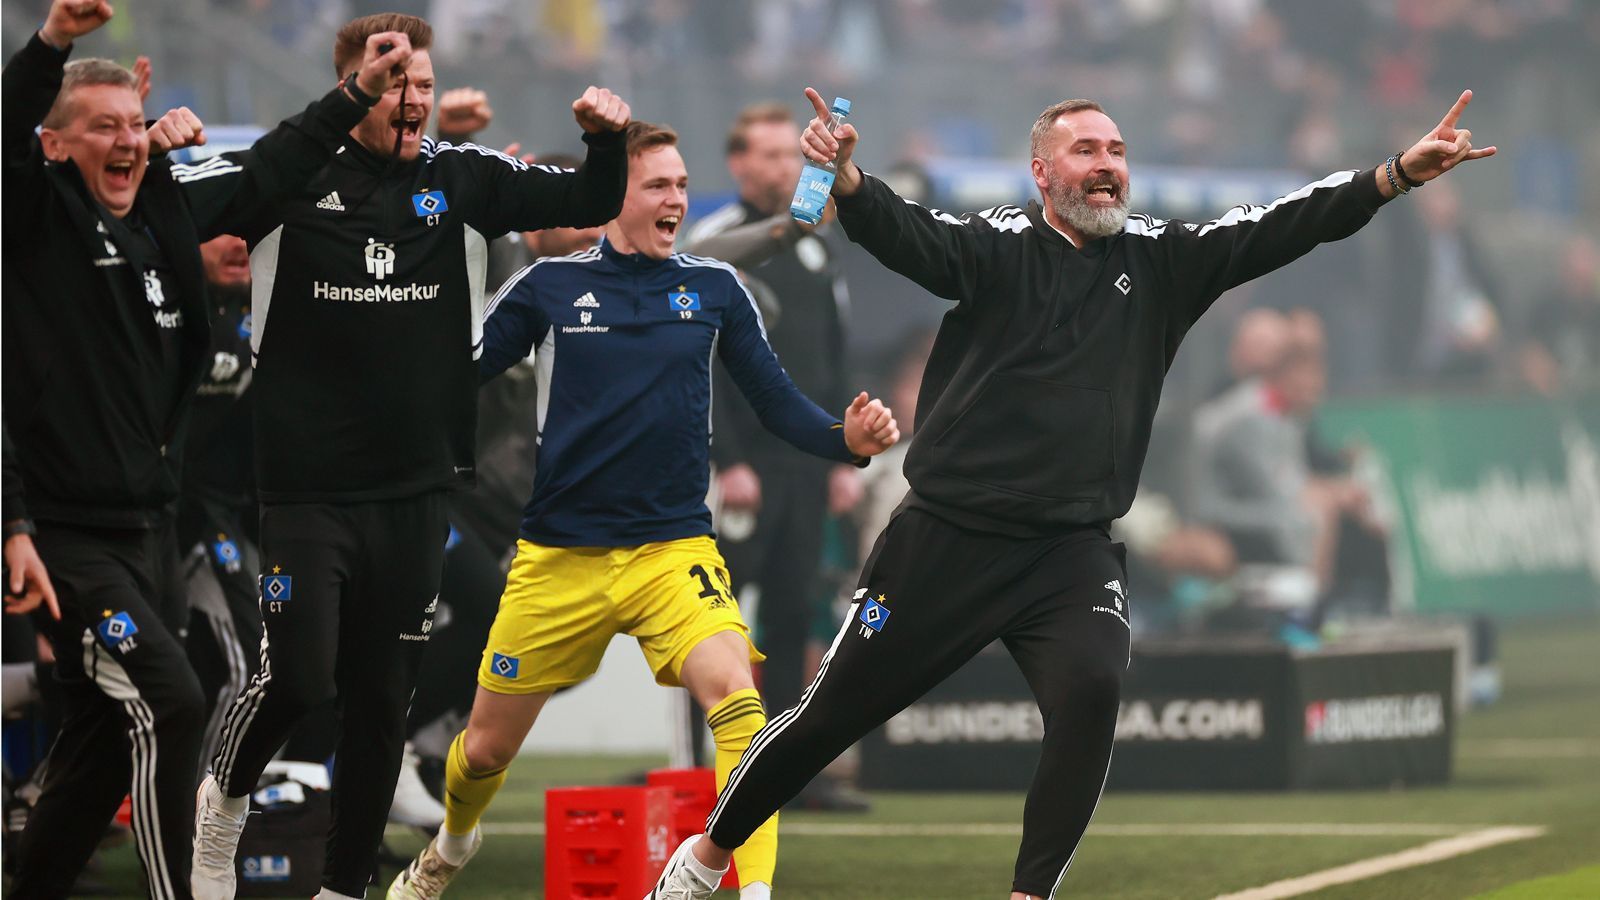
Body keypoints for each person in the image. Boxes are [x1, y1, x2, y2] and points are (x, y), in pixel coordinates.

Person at [647, 86, 1495, 900]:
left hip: (1070, 549)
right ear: (1041, 174)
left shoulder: (1163, 258)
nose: (1106, 165)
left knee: (1092, 689)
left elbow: (1280, 225)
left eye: (1117, 150)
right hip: (948, 536)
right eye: (1084, 149)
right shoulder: (997, 244)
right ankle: (706, 855)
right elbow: (910, 237)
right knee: (828, 716)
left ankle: (1031, 892)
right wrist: (854, 181)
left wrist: (1392, 176)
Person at [386, 121, 899, 900]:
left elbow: (776, 404)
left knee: (740, 700)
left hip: (673, 553)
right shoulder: (548, 288)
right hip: (559, 558)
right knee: (484, 752)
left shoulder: (714, 290)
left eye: (683, 186)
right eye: (659, 186)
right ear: (613, 196)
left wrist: (846, 441)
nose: (677, 200)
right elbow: (451, 378)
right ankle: (453, 844)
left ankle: (750, 890)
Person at [190, 13, 633, 900]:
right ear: (350, 85)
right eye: (391, 81)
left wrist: (606, 142)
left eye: (421, 84)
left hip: (418, 487)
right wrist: (350, 97)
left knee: (381, 701)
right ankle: (223, 800)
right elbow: (204, 205)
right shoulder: (292, 172)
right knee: (303, 675)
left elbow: (585, 201)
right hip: (307, 485)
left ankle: (344, 886)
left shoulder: (461, 180)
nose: (413, 99)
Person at [3, 0, 405, 894]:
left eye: (133, 125)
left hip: (148, 527)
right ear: (54, 145)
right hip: (64, 530)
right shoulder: (31, 219)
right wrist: (53, 43)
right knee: (176, 700)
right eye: (99, 128)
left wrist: (353, 96)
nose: (124, 140)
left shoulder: (160, 217)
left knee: (104, 742)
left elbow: (272, 169)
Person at [687, 103, 861, 734]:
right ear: (738, 163)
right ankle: (702, 767)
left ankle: (783, 771)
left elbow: (836, 357)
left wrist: (843, 454)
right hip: (742, 467)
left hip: (808, 463)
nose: (784, 166)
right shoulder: (716, 244)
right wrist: (727, 459)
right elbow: (698, 362)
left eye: (792, 154)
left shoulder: (817, 247)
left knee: (794, 612)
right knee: (712, 617)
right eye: (769, 155)